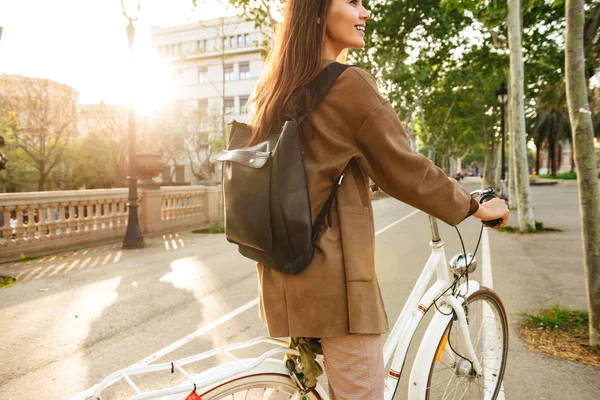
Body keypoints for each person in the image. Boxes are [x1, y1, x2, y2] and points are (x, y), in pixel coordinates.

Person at [246, 1, 509, 398]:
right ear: (316, 10)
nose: (366, 11)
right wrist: (472, 206)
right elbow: (404, 167)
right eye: (352, 1)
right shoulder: (346, 83)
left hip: (281, 271)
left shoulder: (274, 87)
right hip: (336, 284)